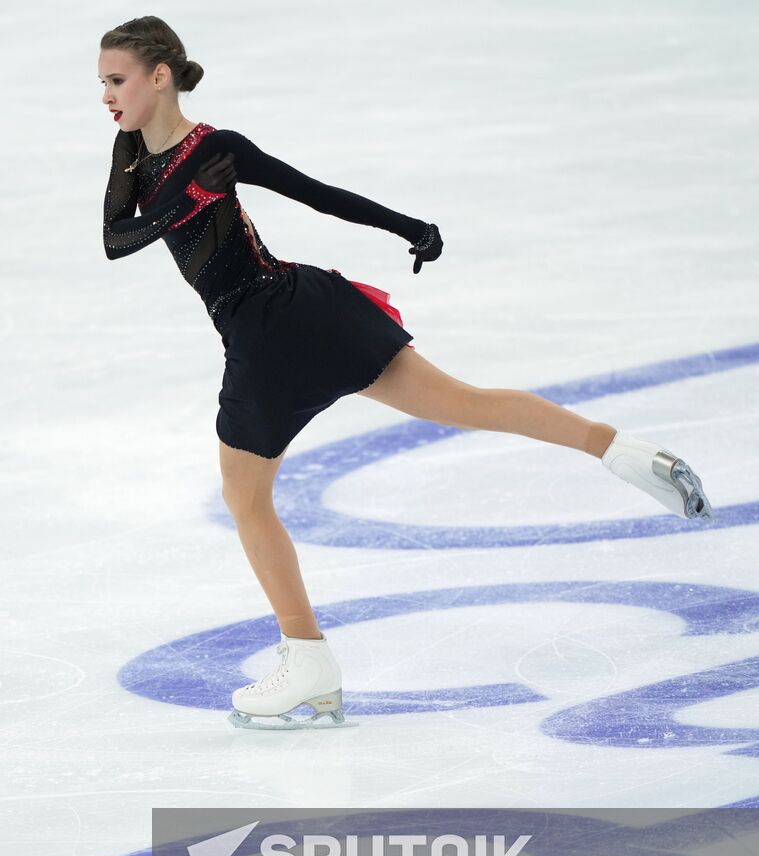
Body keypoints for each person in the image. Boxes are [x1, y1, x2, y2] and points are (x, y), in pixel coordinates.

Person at [99, 17, 713, 732]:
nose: (108, 98)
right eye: (104, 84)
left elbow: (316, 194)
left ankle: (308, 662)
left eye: (117, 81)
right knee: (462, 403)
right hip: (303, 316)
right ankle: (630, 454)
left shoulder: (220, 149)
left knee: (247, 497)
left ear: (160, 75)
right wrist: (186, 203)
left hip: (272, 332)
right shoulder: (131, 155)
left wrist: (407, 226)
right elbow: (117, 239)